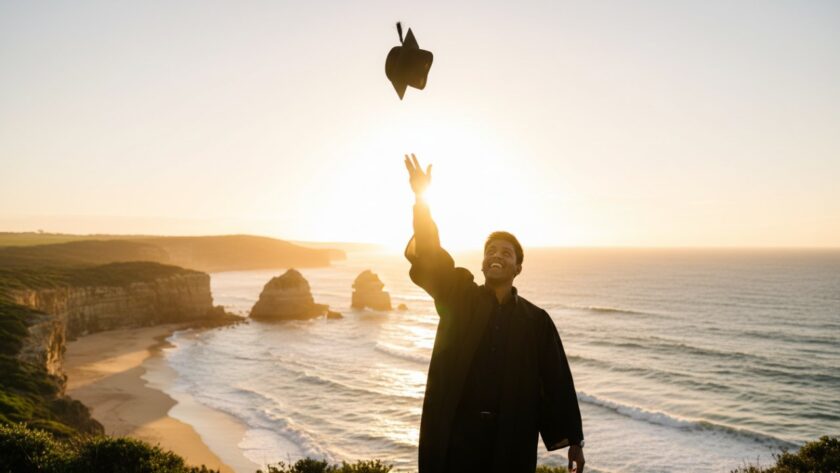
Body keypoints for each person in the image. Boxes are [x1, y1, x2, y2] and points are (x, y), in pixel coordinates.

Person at [403, 154, 585, 473]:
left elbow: (556, 382)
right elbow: (431, 255)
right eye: (490, 252)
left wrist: (574, 441)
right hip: (457, 439)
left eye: (506, 253)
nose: (496, 256)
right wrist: (421, 198)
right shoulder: (459, 295)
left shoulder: (536, 321)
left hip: (509, 442)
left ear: (518, 268)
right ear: (484, 264)